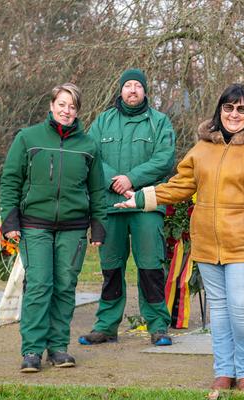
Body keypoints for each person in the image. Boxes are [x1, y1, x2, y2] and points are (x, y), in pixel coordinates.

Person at [114, 83, 244, 391]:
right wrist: (143, 199)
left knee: (241, 309)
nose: (234, 114)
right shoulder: (203, 146)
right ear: (220, 110)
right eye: (229, 107)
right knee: (220, 312)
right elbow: (180, 185)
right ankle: (224, 370)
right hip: (208, 242)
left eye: (242, 109)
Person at [0, 83, 107, 372]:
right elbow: (11, 181)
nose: (66, 110)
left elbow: (97, 190)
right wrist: (9, 220)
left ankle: (58, 347)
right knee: (39, 285)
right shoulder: (27, 138)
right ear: (51, 105)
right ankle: (32, 350)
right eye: (61, 104)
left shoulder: (89, 145)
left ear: (78, 111)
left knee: (64, 286)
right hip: (34, 225)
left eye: (72, 106)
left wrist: (98, 225)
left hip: (74, 228)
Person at [78, 69, 176, 347]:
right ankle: (106, 326)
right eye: (128, 86)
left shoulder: (160, 122)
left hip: (146, 206)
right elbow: (91, 155)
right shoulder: (103, 121)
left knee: (150, 268)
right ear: (120, 90)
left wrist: (132, 178)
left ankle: (158, 326)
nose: (132, 90)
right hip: (111, 207)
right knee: (111, 270)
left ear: (145, 91)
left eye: (138, 86)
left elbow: (165, 159)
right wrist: (114, 181)